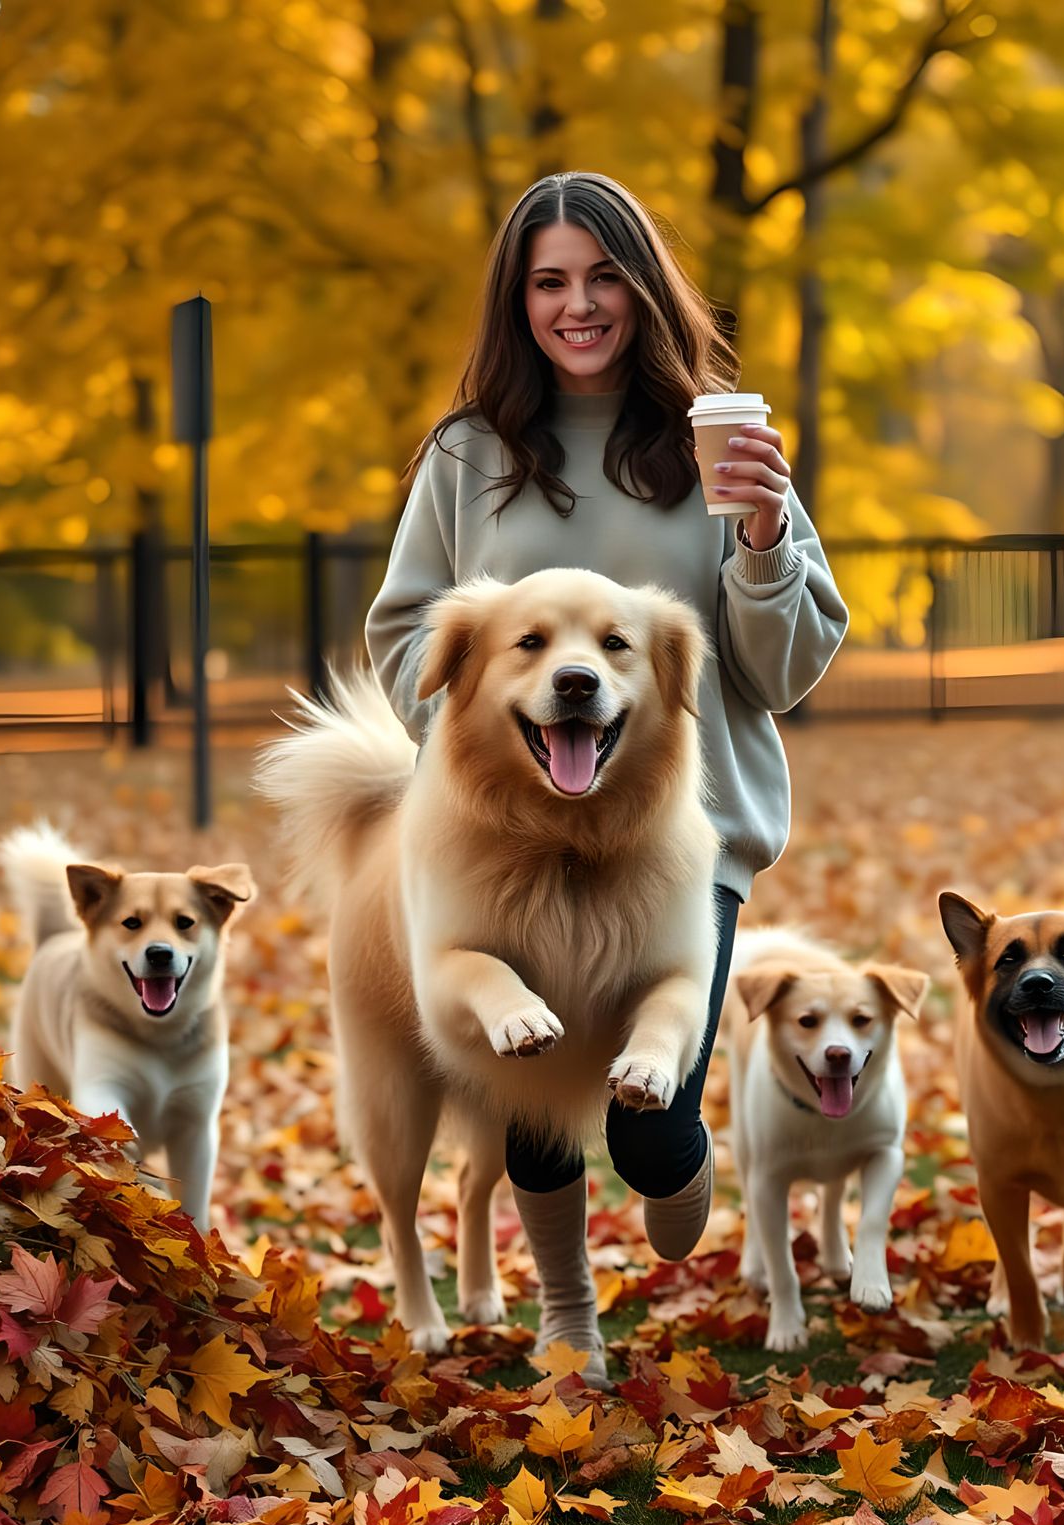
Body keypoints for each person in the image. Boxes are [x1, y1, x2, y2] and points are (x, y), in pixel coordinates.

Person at [365, 170, 848, 1366]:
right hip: (501, 839)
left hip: (693, 829)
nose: (577, 305)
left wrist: (763, 536)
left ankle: (679, 1166)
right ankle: (566, 1317)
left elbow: (783, 671)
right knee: (532, 1105)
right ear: (516, 300)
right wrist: (465, 773)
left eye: (601, 278)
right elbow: (400, 635)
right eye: (548, 282)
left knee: (649, 1123)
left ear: (641, 287)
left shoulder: (721, 443)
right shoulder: (469, 456)